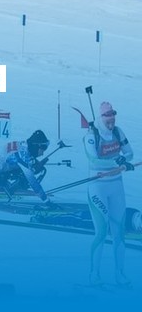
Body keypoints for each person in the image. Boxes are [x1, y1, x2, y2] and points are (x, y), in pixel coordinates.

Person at [85, 102, 134, 286]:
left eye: (113, 116)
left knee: (119, 232)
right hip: (98, 187)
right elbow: (93, 160)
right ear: (101, 117)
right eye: (108, 117)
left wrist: (124, 159)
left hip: (116, 187)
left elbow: (129, 153)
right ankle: (94, 275)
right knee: (101, 231)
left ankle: (120, 274)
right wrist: (117, 162)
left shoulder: (118, 132)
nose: (111, 120)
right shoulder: (91, 136)